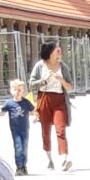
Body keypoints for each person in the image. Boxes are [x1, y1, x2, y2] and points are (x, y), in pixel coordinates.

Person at [30, 39, 72, 170]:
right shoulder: (39, 65)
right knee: (46, 131)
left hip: (59, 99)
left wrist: (62, 80)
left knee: (60, 129)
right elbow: (31, 84)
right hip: (44, 99)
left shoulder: (62, 66)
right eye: (57, 49)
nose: (59, 50)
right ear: (50, 51)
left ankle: (64, 158)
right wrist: (44, 80)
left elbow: (70, 87)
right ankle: (50, 159)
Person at [0, 78, 34, 176]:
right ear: (11, 90)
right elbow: (2, 112)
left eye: (20, 90)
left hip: (25, 129)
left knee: (24, 148)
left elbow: (33, 111)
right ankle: (19, 166)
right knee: (18, 147)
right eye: (15, 90)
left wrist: (37, 117)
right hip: (15, 130)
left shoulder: (26, 102)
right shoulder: (9, 103)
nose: (17, 92)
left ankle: (24, 166)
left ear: (23, 91)